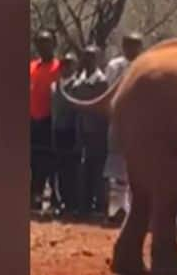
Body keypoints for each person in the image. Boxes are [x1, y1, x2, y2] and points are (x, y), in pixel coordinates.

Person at [103, 32, 143, 225]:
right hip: (119, 120)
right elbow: (110, 92)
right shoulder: (114, 66)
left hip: (142, 123)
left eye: (136, 45)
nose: (132, 49)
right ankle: (119, 209)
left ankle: (137, 212)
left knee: (139, 167)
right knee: (118, 167)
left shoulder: (146, 65)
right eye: (129, 45)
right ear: (123, 46)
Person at [74, 45, 109, 221]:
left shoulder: (102, 82)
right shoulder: (79, 82)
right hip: (82, 130)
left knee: (98, 170)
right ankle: (84, 206)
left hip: (97, 132)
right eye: (86, 56)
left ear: (98, 59)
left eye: (92, 57)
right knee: (84, 169)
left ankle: (99, 207)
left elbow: (103, 110)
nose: (88, 60)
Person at [30, 30, 61, 213]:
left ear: (54, 44)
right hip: (33, 121)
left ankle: (56, 200)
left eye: (47, 42)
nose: (43, 46)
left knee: (52, 162)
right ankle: (35, 196)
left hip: (52, 122)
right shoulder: (32, 67)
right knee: (34, 161)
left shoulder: (59, 67)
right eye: (40, 43)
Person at [50, 52, 81, 217]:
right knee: (58, 170)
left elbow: (78, 113)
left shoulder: (77, 86)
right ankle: (59, 201)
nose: (66, 67)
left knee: (72, 171)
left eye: (70, 64)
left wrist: (78, 137)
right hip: (57, 132)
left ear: (75, 66)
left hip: (72, 132)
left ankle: (72, 203)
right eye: (64, 64)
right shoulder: (55, 85)